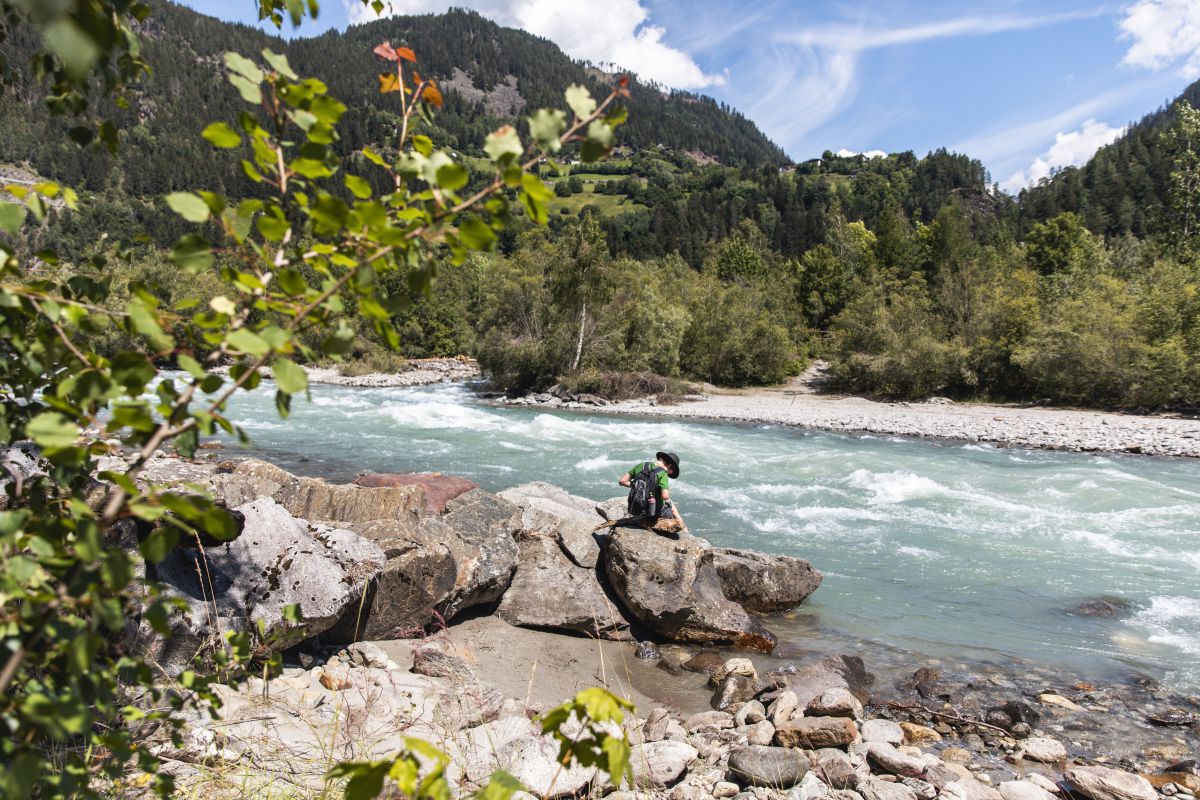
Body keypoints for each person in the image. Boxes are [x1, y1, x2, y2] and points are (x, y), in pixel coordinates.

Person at [618, 451, 686, 531]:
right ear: (670, 465)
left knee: (670, 504)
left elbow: (622, 481)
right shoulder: (663, 473)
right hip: (653, 512)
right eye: (671, 471)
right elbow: (665, 496)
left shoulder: (642, 465)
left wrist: (637, 484)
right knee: (672, 507)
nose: (670, 473)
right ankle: (685, 530)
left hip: (636, 508)